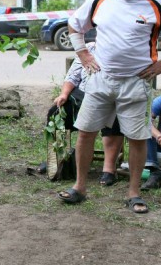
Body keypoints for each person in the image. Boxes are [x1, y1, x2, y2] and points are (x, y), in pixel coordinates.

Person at [58, 0, 161, 213]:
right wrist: (84, 54)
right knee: (86, 132)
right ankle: (79, 187)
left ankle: (133, 193)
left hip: (136, 82)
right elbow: (75, 25)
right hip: (100, 79)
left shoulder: (157, 3)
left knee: (137, 138)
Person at [47, 56, 124, 186]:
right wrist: (64, 94)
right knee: (55, 111)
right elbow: (72, 76)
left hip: (109, 95)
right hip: (81, 95)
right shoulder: (88, 49)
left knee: (116, 113)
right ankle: (56, 160)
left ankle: (109, 169)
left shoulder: (118, 49)